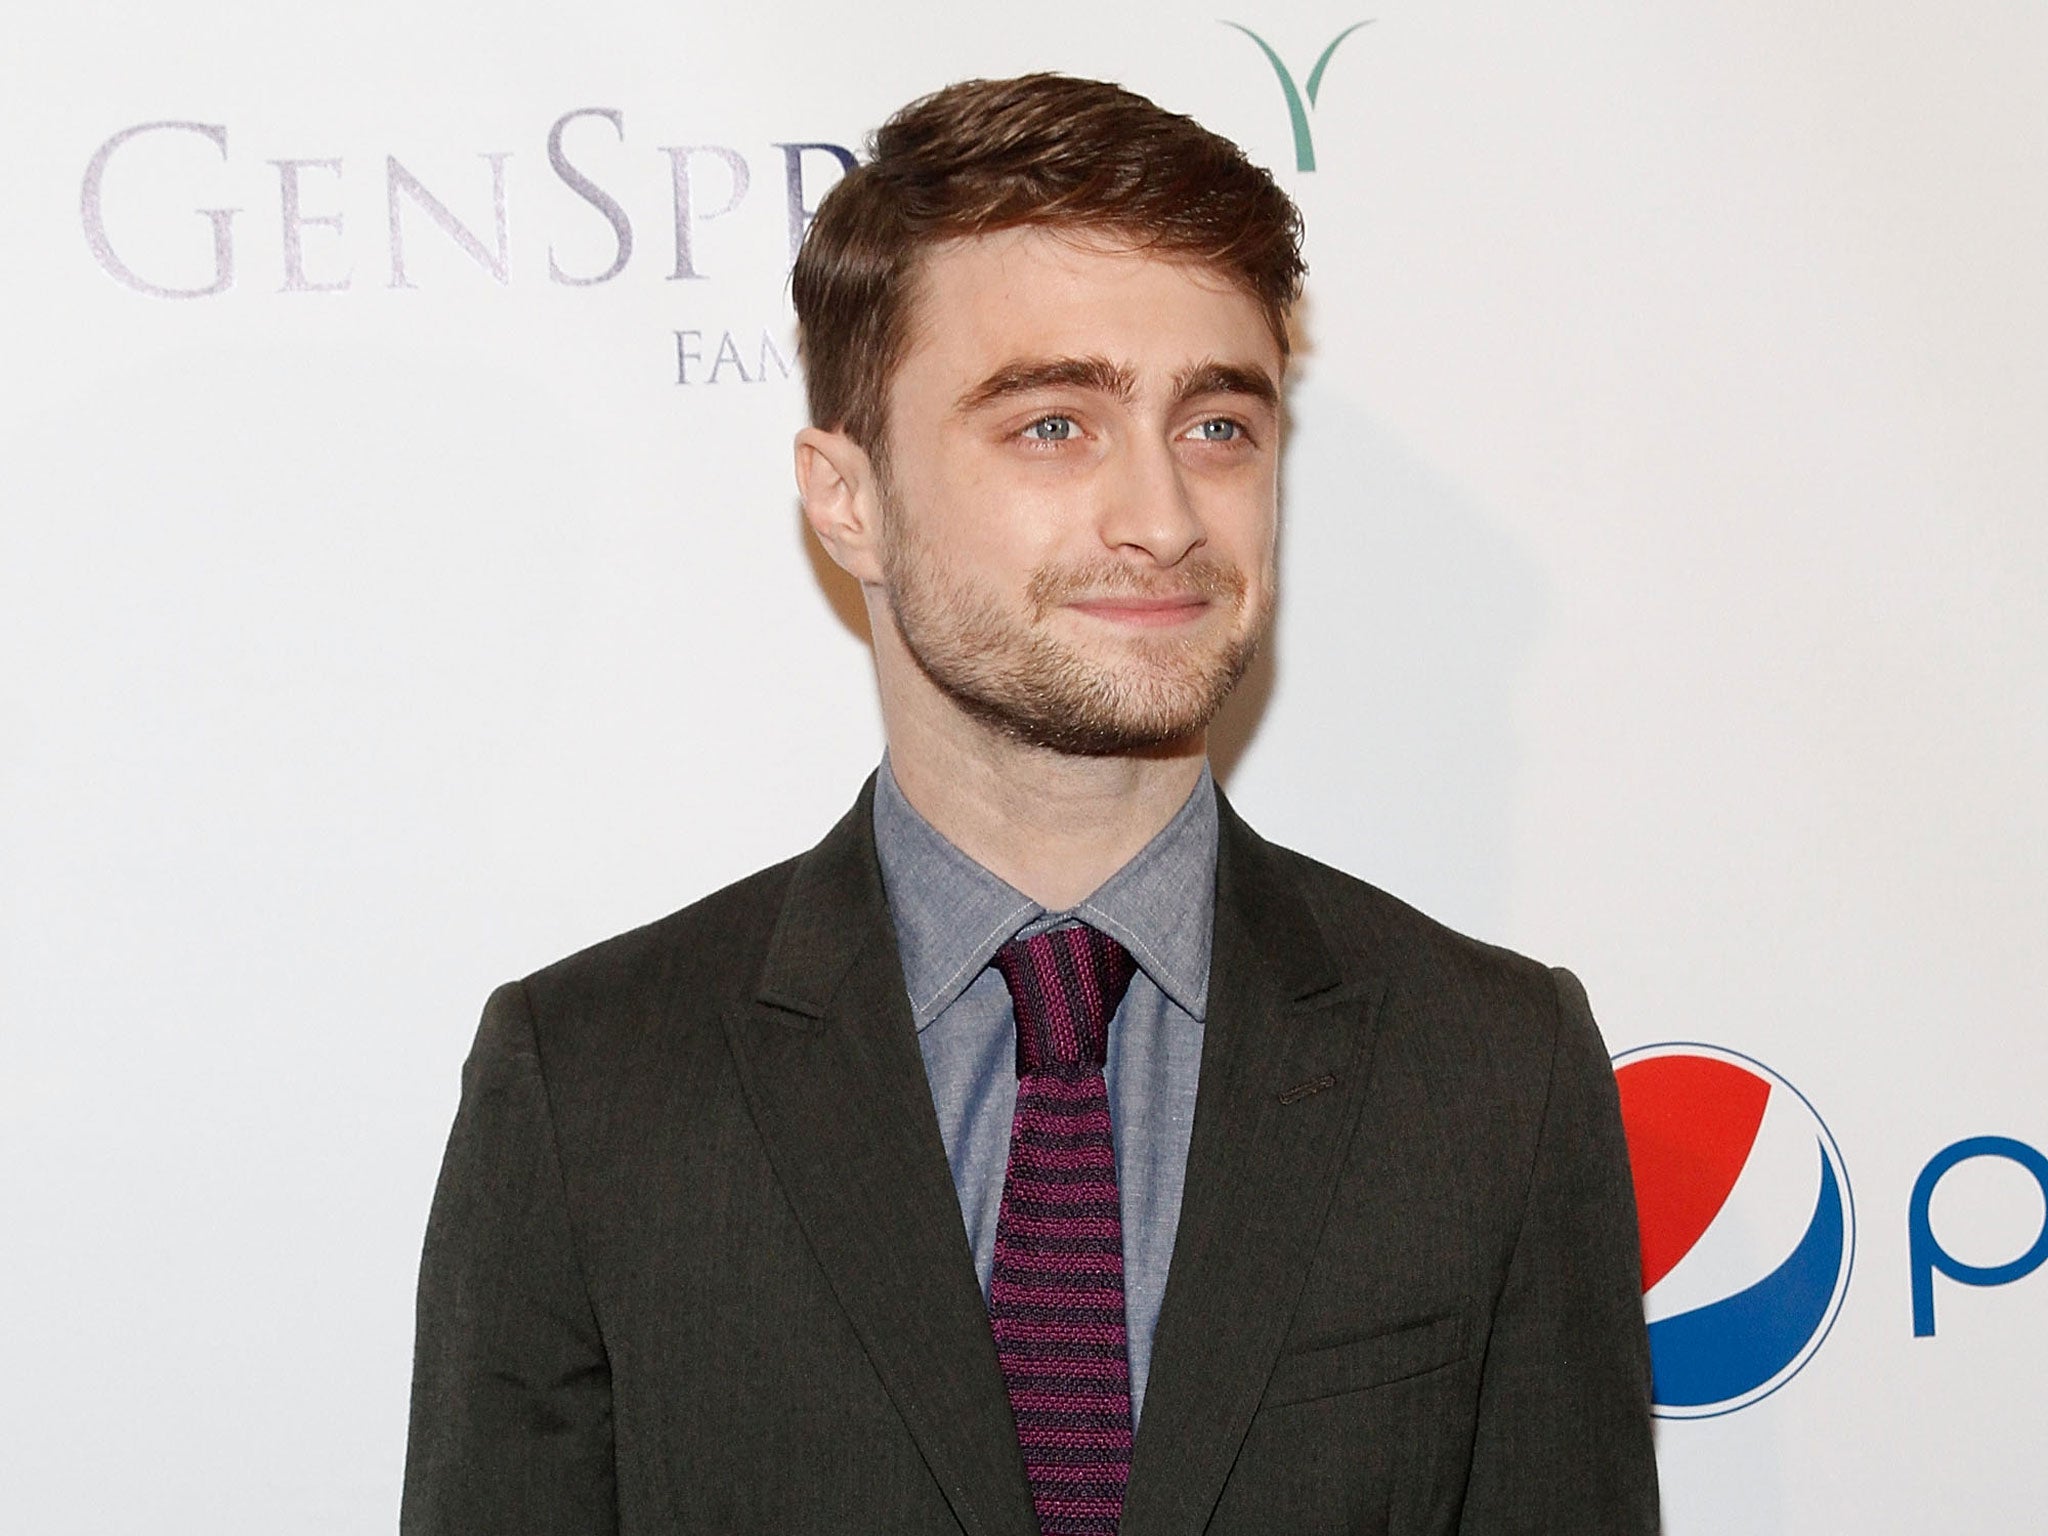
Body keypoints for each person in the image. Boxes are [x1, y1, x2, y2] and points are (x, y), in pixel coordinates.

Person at [401, 73, 1659, 1536]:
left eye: (1218, 427)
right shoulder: (593, 1085)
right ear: (846, 497)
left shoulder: (1490, 1071)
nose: (1166, 517)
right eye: (1055, 425)